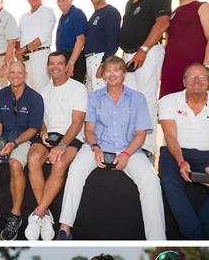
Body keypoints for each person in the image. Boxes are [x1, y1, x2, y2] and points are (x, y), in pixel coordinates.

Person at [55, 56, 166, 241]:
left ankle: (157, 240)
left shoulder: (137, 98)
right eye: (108, 70)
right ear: (103, 75)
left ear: (123, 74)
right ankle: (65, 229)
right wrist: (96, 148)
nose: (112, 74)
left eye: (116, 70)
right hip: (97, 146)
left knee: (151, 182)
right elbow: (89, 130)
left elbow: (140, 134)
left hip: (128, 149)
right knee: (75, 170)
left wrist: (126, 154)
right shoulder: (94, 97)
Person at [158, 63, 209, 239]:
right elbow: (170, 137)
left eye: (202, 77)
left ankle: (200, 237)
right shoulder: (168, 101)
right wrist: (180, 161)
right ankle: (195, 236)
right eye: (191, 77)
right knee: (168, 181)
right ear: (184, 81)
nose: (196, 81)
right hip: (175, 152)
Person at [0, 60, 43, 240]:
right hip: (2, 137)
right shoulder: (0, 95)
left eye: (19, 73)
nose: (15, 76)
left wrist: (13, 144)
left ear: (25, 75)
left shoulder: (35, 98)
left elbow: (34, 129)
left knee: (15, 164)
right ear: (7, 74)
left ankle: (15, 216)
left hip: (23, 140)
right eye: (12, 72)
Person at [25, 51, 88, 240]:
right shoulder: (43, 91)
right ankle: (44, 216)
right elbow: (41, 121)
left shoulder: (78, 88)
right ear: (47, 67)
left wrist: (61, 145)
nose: (55, 67)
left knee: (59, 163)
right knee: (33, 158)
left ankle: (38, 213)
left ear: (67, 66)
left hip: (70, 136)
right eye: (51, 63)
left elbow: (77, 123)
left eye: (59, 63)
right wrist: (43, 132)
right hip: (48, 137)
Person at [119, 0, 172, 157]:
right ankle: (132, 141)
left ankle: (147, 146)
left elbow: (163, 22)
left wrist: (143, 49)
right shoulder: (129, 2)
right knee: (130, 100)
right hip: (128, 55)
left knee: (147, 99)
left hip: (147, 53)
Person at [159, 0, 209, 98]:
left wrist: (206, 69)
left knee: (196, 107)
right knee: (170, 107)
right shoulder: (172, 13)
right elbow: (168, 42)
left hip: (194, 70)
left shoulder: (203, 7)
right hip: (171, 69)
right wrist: (161, 68)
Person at [16, 0, 55, 92]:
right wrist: (18, 52)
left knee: (42, 90)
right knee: (27, 90)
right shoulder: (23, 17)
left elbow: (44, 37)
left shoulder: (48, 12)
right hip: (25, 59)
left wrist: (24, 49)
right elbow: (18, 38)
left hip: (40, 56)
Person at [84, 0, 121, 92]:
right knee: (92, 99)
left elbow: (113, 41)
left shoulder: (111, 12)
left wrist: (104, 63)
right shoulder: (93, 16)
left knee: (102, 99)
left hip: (100, 59)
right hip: (89, 60)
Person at [55, 0, 87, 83]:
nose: (61, 1)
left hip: (74, 59)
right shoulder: (63, 17)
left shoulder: (76, 13)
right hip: (64, 59)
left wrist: (71, 63)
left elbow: (81, 39)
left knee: (75, 91)